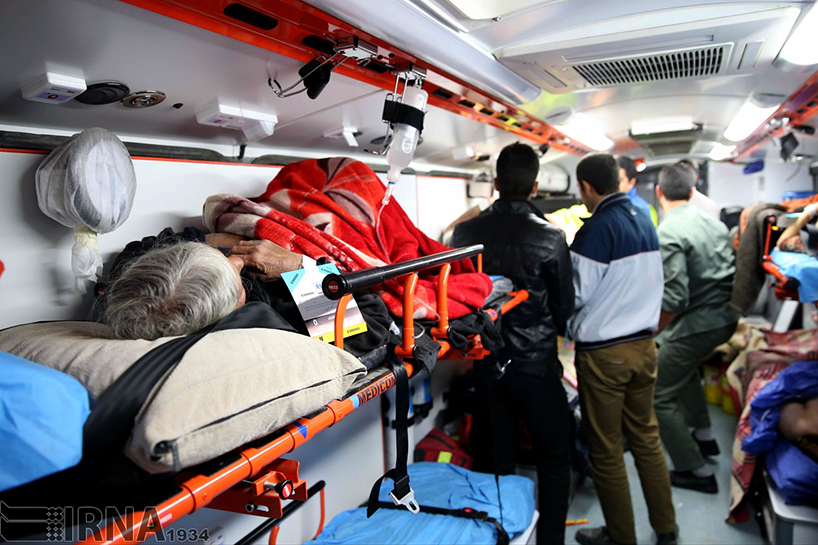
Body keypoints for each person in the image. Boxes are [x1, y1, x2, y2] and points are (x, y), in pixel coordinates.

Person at [450, 142, 574, 544]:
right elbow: (564, 307)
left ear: (496, 182)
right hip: (536, 364)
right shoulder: (551, 237)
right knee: (554, 459)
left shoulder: (465, 232)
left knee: (496, 464)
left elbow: (456, 295)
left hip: (488, 363)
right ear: (535, 186)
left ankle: (501, 536)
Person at [569, 153, 677, 545]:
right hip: (645, 348)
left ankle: (621, 537)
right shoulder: (644, 219)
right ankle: (666, 527)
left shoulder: (596, 229)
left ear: (586, 187)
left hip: (605, 355)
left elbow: (575, 294)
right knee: (646, 439)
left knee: (606, 449)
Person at [653, 163, 739, 494]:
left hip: (700, 324)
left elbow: (675, 299)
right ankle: (704, 437)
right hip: (725, 318)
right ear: (692, 192)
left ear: (659, 192)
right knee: (683, 368)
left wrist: (651, 331)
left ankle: (695, 470)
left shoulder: (668, 232)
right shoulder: (714, 224)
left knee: (658, 394)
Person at [105, 236, 309, 340]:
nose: (238, 261)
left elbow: (146, 245)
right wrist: (300, 265)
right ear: (237, 307)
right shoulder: (281, 322)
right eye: (237, 277)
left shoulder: (133, 284)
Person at [617, 155, 658, 226]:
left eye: (620, 180)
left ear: (632, 182)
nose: (614, 183)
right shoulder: (604, 203)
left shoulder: (640, 208)